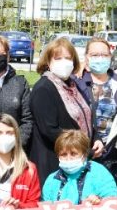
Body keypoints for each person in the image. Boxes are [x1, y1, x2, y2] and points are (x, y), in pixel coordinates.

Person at [29, 37, 91, 187]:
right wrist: (79, 144)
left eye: (68, 58)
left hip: (75, 157)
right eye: (58, 58)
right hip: (54, 160)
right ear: (48, 62)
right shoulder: (44, 88)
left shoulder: (72, 86)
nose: (64, 62)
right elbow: (49, 130)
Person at [76, 37, 117, 184]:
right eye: (95, 55)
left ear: (110, 57)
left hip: (114, 154)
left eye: (104, 55)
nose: (100, 58)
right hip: (84, 152)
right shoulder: (76, 81)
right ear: (86, 58)